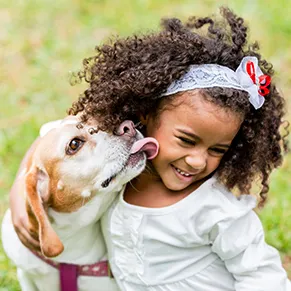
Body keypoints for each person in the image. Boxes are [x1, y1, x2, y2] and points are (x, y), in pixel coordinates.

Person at [9, 7, 291, 291]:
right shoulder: (122, 158)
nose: (197, 160)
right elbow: (57, 134)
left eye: (218, 149)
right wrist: (25, 189)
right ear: (144, 114)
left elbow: (264, 277)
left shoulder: (216, 210)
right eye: (186, 140)